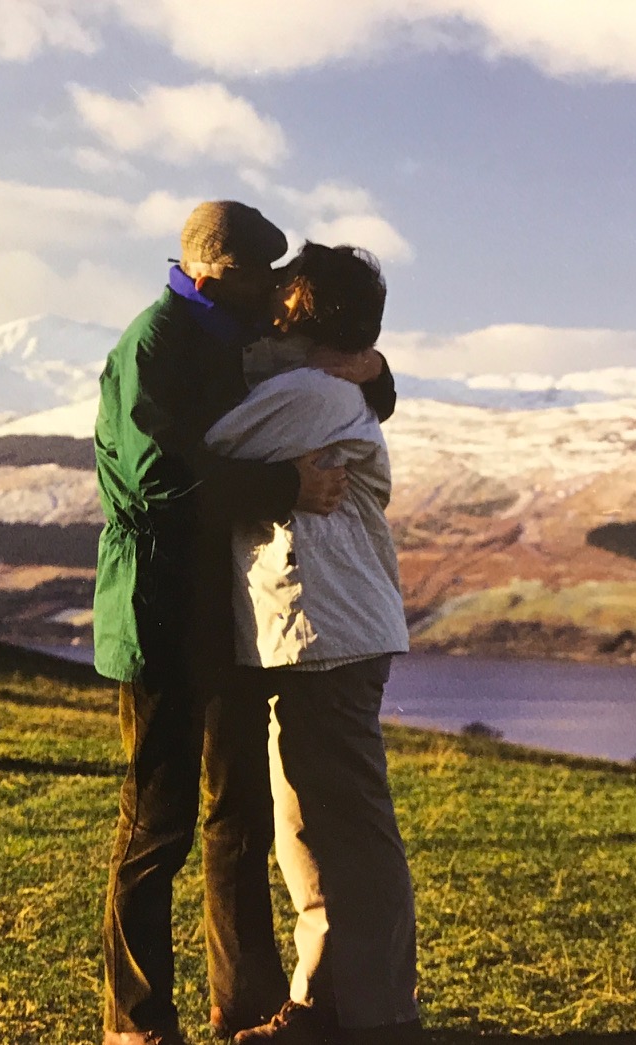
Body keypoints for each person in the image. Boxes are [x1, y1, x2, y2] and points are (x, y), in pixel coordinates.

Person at [93, 204, 398, 1045]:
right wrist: (282, 487)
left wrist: (370, 365)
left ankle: (245, 1001)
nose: (273, 296)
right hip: (157, 613)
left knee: (236, 814)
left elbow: (326, 371)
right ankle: (137, 1020)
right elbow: (161, 485)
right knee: (157, 824)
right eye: (260, 280)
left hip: (224, 616)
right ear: (210, 275)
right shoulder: (153, 344)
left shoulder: (230, 333)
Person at [203, 243, 420, 1045]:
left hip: (330, 633)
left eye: (281, 295)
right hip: (310, 634)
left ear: (298, 311)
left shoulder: (308, 393)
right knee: (309, 828)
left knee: (350, 830)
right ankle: (323, 1002)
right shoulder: (326, 383)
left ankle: (382, 1015)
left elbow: (206, 443)